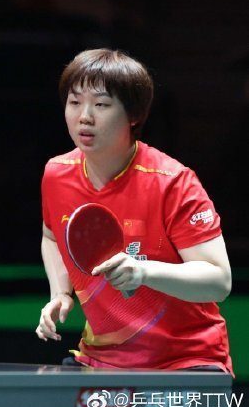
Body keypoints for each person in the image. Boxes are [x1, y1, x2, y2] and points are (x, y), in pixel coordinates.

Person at [36, 49, 233, 373]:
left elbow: (218, 281)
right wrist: (61, 292)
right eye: (74, 102)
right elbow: (52, 237)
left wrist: (143, 272)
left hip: (186, 362)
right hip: (101, 360)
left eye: (101, 105)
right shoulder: (57, 174)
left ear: (133, 115)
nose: (85, 116)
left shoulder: (173, 183)